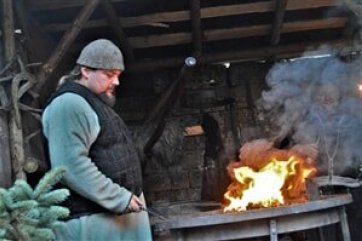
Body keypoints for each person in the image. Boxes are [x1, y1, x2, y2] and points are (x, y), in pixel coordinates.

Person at [42, 39, 153, 241]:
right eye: (109, 75)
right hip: (90, 223)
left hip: (112, 221)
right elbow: (70, 165)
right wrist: (119, 198)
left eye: (118, 75)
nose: (116, 82)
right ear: (85, 71)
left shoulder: (92, 102)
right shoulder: (69, 104)